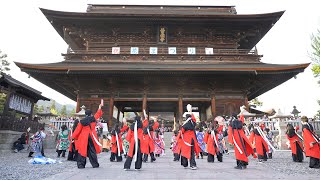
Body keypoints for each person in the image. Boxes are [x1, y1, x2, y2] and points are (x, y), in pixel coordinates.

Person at [72, 104, 103, 169]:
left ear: (85, 114)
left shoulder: (82, 121)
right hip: (91, 136)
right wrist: (99, 107)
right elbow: (98, 114)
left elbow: (78, 130)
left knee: (82, 151)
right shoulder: (93, 118)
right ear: (91, 114)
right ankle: (95, 164)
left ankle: (81, 165)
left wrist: (74, 137)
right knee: (92, 151)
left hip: (84, 137)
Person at [180, 104, 200, 170]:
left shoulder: (184, 125)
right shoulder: (193, 124)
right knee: (192, 153)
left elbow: (181, 132)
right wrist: (191, 111)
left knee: (185, 152)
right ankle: (192, 165)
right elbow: (194, 119)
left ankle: (185, 164)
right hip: (192, 140)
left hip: (186, 141)